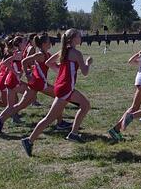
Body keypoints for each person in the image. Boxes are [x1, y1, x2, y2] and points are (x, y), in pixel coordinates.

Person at [21, 28, 93, 156]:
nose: (81, 37)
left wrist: (61, 70)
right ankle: (29, 140)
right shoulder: (76, 53)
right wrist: (88, 63)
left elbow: (49, 63)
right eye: (78, 36)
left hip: (63, 86)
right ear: (72, 39)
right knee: (49, 118)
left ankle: (74, 133)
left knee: (85, 105)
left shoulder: (63, 51)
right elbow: (85, 72)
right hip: (66, 88)